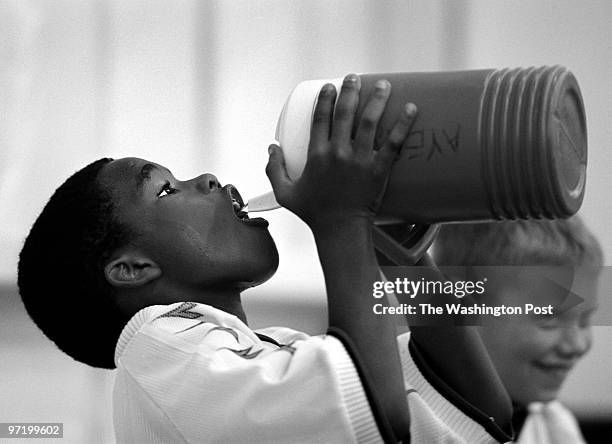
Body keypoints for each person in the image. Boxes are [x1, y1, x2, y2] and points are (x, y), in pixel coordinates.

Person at [18, 74, 511, 443]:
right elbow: (376, 408)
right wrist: (343, 219)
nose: (209, 179)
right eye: (166, 190)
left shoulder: (275, 348)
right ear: (132, 269)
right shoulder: (157, 349)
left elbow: (478, 407)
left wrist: (396, 250)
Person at [432, 218, 603, 444]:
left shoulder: (554, 428)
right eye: (549, 319)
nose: (577, 345)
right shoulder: (403, 422)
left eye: (585, 320)